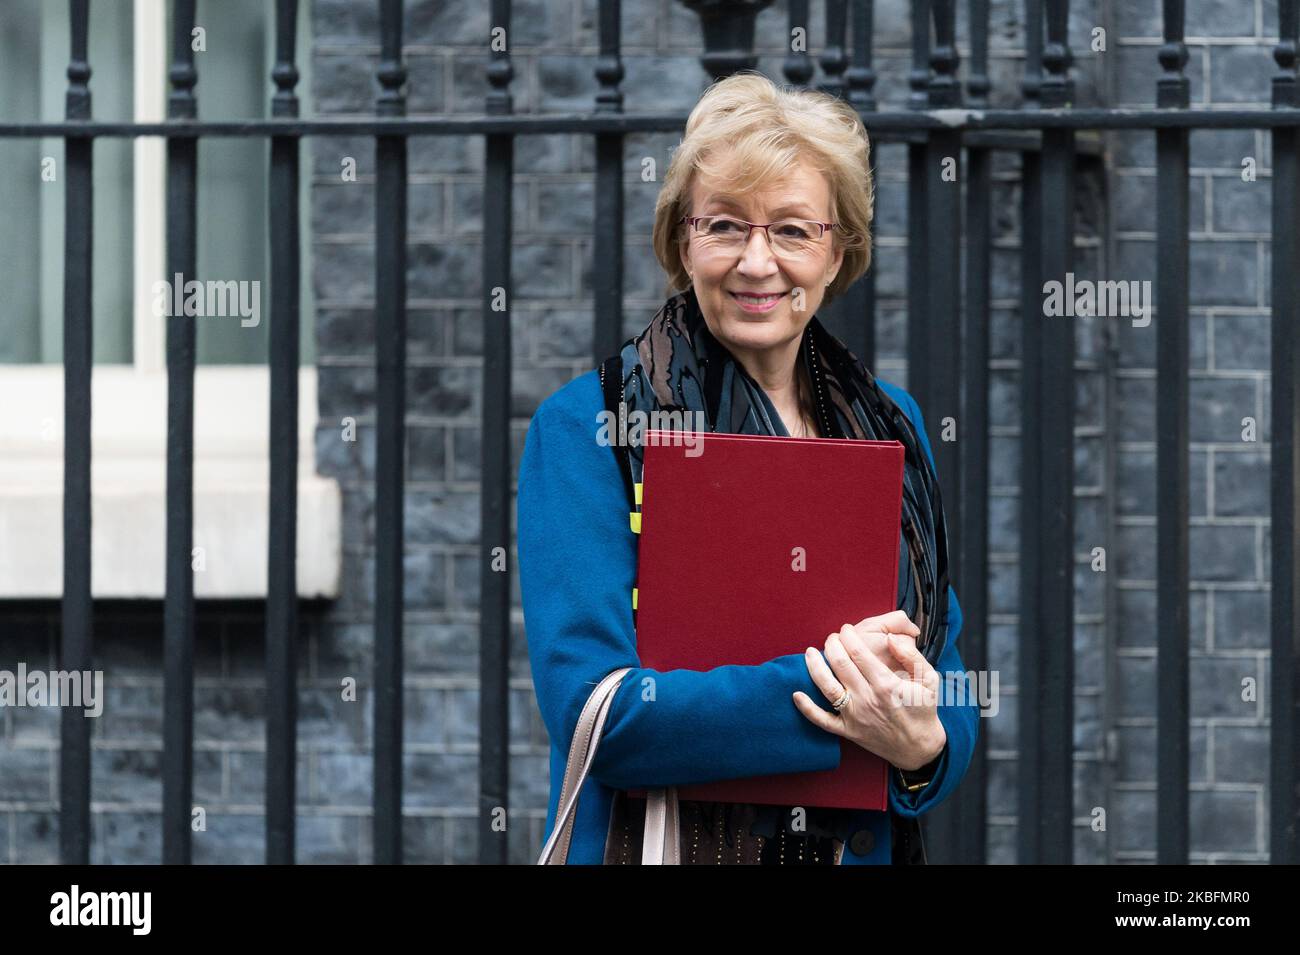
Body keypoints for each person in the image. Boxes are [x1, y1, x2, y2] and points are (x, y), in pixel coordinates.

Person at [517, 71, 978, 864]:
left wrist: (926, 741)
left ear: (839, 252)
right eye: (726, 225)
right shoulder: (591, 426)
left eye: (794, 230)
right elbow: (597, 714)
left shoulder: (890, 426)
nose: (757, 262)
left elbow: (946, 678)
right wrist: (842, 696)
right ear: (683, 241)